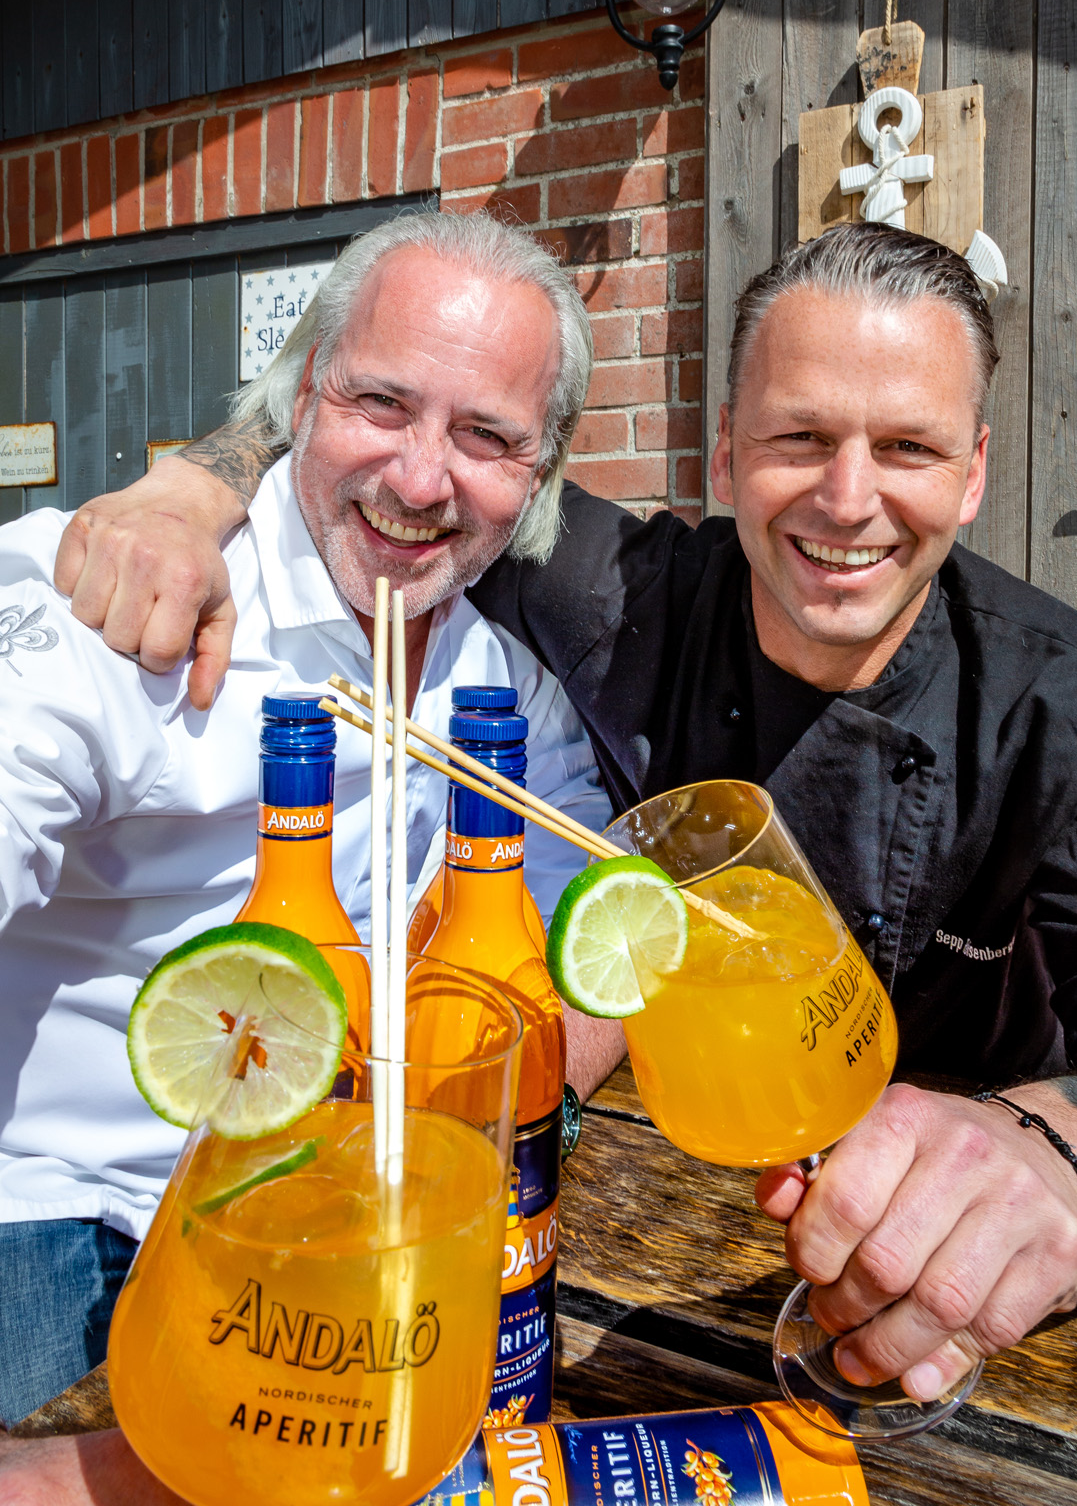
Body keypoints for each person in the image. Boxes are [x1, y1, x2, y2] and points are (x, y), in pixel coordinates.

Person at [45, 223, 1077, 1413]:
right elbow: (385, 428)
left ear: (973, 470)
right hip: (625, 1240)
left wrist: (1068, 1160)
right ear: (726, 450)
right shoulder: (615, 594)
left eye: (907, 447)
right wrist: (186, 491)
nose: (848, 501)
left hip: (980, 1298)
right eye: (798, 438)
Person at [0, 209, 619, 1432]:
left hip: (340, 1210)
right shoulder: (137, 595)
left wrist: (502, 1096)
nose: (420, 478)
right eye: (381, 404)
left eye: (487, 435)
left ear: (539, 477)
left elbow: (583, 929)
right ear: (299, 400)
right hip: (69, 1204)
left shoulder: (500, 684)